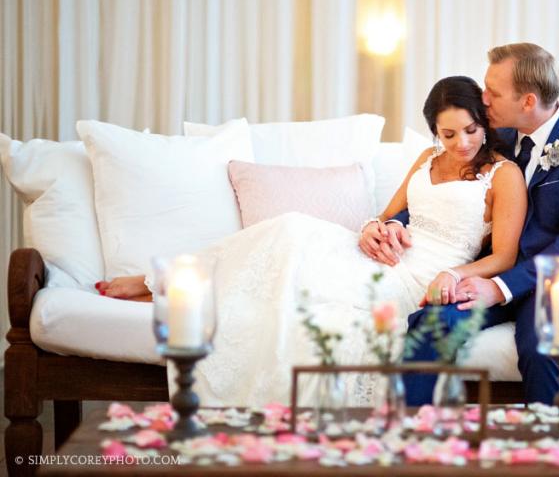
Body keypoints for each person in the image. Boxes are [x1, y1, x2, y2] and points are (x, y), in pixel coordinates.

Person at [96, 76, 528, 407]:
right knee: (290, 229)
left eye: (470, 131)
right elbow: (388, 213)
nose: (461, 143)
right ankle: (167, 279)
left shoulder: (503, 175)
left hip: (425, 276)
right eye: (448, 134)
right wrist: (375, 228)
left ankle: (165, 288)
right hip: (389, 255)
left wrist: (452, 273)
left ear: (484, 123)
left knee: (295, 289)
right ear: (434, 130)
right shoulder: (428, 158)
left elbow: (505, 255)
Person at [360, 43, 559, 406]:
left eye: (493, 92)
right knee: (432, 323)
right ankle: (412, 440)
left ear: (528, 101)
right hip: (492, 268)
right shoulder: (494, 135)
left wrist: (499, 286)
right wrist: (392, 221)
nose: (482, 100)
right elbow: (441, 192)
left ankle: (546, 452)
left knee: (542, 345)